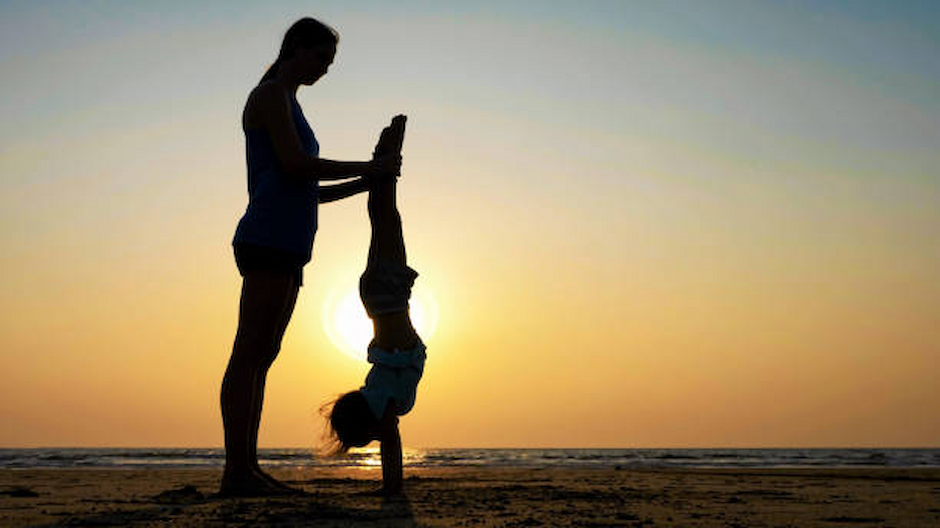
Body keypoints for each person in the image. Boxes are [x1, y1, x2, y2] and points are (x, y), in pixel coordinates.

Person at [222, 17, 401, 497]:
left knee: (262, 358)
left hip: (291, 242)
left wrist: (368, 181)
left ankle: (248, 469)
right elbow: (297, 166)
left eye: (330, 62)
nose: (325, 68)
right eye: (321, 57)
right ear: (295, 46)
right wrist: (371, 166)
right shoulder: (270, 96)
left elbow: (305, 190)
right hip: (268, 238)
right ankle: (237, 471)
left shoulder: (290, 102)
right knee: (248, 355)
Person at [325, 115, 425, 497]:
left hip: (389, 297)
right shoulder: (375, 391)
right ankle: (383, 161)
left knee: (388, 220)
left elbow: (392, 443)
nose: (377, 439)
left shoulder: (381, 402)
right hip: (376, 300)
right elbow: (389, 440)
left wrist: (391, 488)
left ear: (365, 424)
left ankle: (389, 155)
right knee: (381, 220)